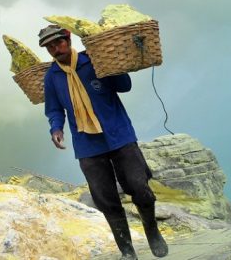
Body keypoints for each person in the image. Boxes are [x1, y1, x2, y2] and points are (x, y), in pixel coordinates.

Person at [39, 25, 167, 259]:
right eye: (49, 47)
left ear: (68, 40)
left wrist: (111, 67)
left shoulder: (94, 61)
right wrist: (56, 128)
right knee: (105, 198)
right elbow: (54, 109)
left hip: (120, 136)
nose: (55, 49)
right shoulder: (52, 77)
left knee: (140, 187)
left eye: (58, 43)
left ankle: (153, 232)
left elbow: (124, 86)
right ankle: (127, 250)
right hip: (87, 145)